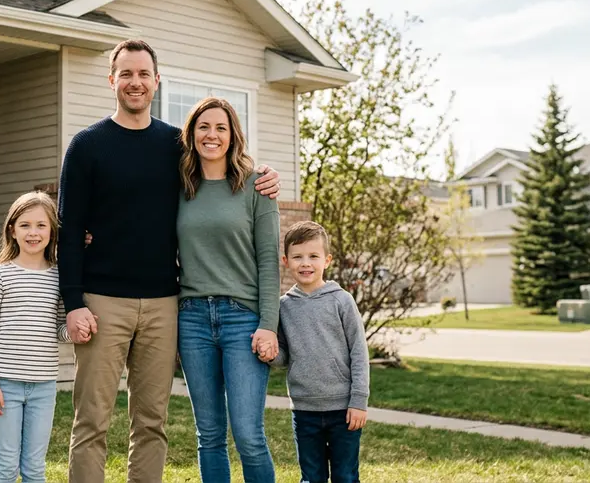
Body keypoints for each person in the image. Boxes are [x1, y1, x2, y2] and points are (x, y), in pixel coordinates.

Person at [57, 39, 280, 483]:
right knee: (91, 423)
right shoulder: (86, 146)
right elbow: (68, 230)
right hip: (103, 301)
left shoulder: (174, 146)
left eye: (143, 74)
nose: (135, 82)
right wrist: (73, 303)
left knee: (152, 423)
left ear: (156, 81)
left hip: (165, 303)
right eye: (126, 74)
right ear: (112, 80)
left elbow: (221, 168)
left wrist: (266, 176)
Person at [176, 96, 280, 482]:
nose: (212, 135)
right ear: (192, 134)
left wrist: (269, 323)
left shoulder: (257, 187)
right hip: (192, 320)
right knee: (210, 436)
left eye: (221, 127)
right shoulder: (180, 186)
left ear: (233, 135)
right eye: (204, 127)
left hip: (243, 320)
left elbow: (269, 260)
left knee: (249, 435)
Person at [267, 220, 370, 483]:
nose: (305, 263)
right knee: (311, 478)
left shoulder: (341, 300)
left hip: (343, 409)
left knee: (345, 476)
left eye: (313, 256)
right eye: (297, 256)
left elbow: (359, 352)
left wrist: (358, 401)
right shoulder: (284, 307)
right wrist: (268, 352)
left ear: (327, 260)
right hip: (304, 410)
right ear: (285, 260)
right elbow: (284, 357)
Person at [0, 192, 70, 483]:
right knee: (5, 466)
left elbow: (58, 328)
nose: (33, 232)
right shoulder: (1, 275)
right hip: (5, 385)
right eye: (25, 225)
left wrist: (75, 331)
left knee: (34, 467)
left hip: (44, 385)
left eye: (41, 225)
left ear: (52, 231)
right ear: (12, 231)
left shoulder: (58, 276)